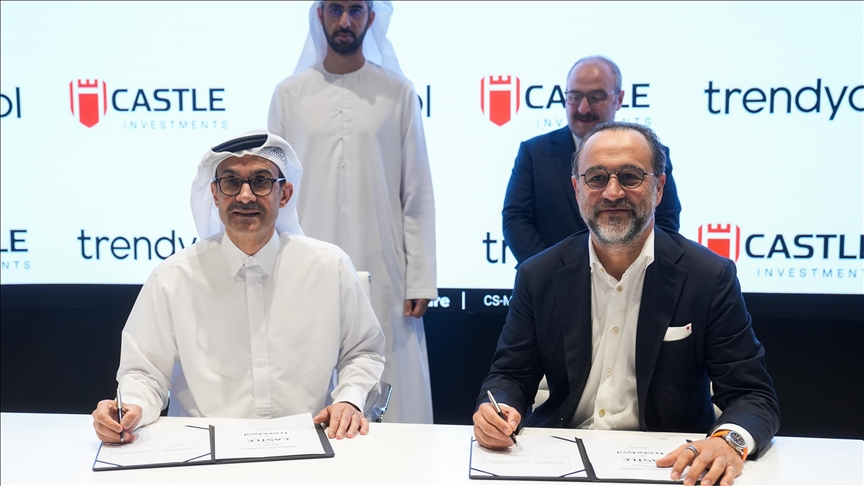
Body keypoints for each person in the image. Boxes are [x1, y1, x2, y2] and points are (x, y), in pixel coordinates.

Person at [474, 122, 779, 486]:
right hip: (560, 461)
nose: (613, 192)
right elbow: (511, 375)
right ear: (577, 189)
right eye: (596, 178)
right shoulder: (538, 274)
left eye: (631, 177)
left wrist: (728, 441)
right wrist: (499, 410)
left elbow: (752, 395)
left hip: (670, 467)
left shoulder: (709, 276)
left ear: (659, 187)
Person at [91, 130, 386, 443]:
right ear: (215, 194)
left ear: (284, 194)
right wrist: (129, 408)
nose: (245, 196)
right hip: (202, 448)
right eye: (231, 182)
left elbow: (362, 352)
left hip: (309, 440)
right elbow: (144, 372)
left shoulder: (329, 267)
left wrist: (349, 400)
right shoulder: (173, 278)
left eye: (261, 181)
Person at [268, 1, 437, 424]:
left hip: (384, 264)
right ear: (320, 15)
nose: (345, 21)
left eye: (356, 10)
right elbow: (271, 187)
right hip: (304, 262)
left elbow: (416, 192)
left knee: (388, 366)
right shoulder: (289, 94)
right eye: (336, 9)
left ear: (371, 18)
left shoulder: (398, 93)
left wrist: (421, 277)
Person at [502, 55, 682, 264]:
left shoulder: (650, 153)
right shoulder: (533, 153)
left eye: (596, 97)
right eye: (575, 96)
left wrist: (626, 269)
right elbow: (516, 220)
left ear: (619, 99)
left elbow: (666, 221)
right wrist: (549, 272)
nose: (583, 108)